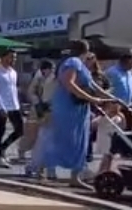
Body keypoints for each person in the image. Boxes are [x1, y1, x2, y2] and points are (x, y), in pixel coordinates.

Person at [41, 40, 103, 189]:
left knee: (79, 141)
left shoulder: (81, 65)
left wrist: (108, 96)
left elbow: (93, 86)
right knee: (65, 138)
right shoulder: (73, 62)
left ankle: (74, 176)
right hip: (68, 107)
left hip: (78, 108)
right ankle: (44, 169)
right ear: (86, 50)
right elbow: (69, 84)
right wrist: (91, 98)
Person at [0, 50, 23, 165]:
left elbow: (13, 90)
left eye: (14, 58)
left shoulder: (13, 72)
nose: (13, 60)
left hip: (14, 105)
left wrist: (18, 104)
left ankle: (2, 148)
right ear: (3, 58)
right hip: (1, 106)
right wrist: (1, 107)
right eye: (11, 57)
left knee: (20, 130)